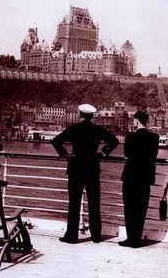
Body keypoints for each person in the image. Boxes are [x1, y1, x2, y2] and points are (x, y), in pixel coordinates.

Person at [52, 104, 119, 244]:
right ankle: (96, 235)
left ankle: (71, 235)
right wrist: (102, 152)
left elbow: (56, 141)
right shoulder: (97, 129)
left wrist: (66, 154)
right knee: (94, 203)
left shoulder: (74, 129)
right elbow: (114, 141)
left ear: (80, 114)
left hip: (75, 168)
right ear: (92, 116)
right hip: (92, 168)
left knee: (74, 203)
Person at [119, 111, 159, 248]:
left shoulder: (130, 136)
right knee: (141, 208)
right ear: (146, 121)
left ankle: (131, 238)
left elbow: (126, 154)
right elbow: (153, 155)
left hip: (130, 175)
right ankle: (138, 238)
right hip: (145, 177)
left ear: (136, 121)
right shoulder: (154, 137)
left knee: (129, 208)